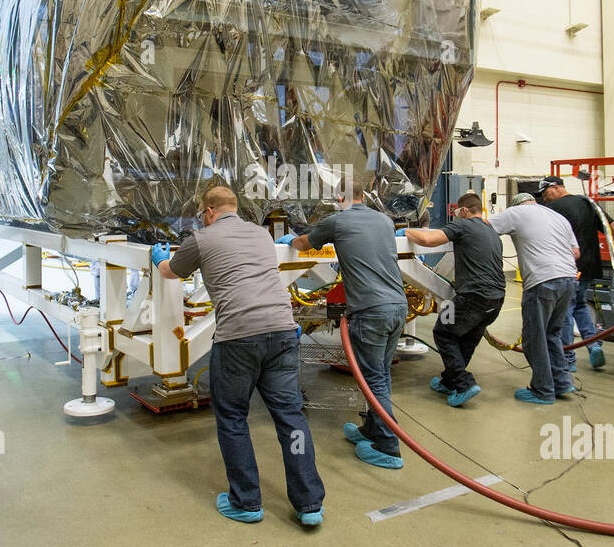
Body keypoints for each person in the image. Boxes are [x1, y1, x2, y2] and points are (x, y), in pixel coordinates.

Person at [154, 186, 326, 524]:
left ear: (208, 211)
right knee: (290, 417)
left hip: (238, 338)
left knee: (233, 417)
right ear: (235, 207)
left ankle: (247, 502)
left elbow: (171, 273)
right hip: (281, 330)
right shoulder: (261, 234)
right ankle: (310, 505)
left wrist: (159, 257)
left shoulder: (201, 239)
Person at [280, 175, 408, 469]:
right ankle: (372, 429)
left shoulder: (337, 222)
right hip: (397, 306)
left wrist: (290, 241)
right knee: (381, 374)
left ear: (339, 199)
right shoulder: (385, 222)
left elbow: (304, 244)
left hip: (370, 310)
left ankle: (389, 445)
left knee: (373, 378)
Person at [398, 192, 505, 408]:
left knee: (443, 332)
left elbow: (428, 240)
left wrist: (405, 231)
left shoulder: (463, 226)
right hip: (496, 300)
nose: (456, 216)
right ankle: (450, 381)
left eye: (457, 212)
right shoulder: (491, 231)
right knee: (466, 339)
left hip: (472, 298)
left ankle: (463, 384)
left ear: (464, 211)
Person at [487, 193, 580, 404]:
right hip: (568, 278)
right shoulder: (558, 217)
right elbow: (575, 252)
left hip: (542, 280)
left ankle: (543, 389)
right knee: (552, 335)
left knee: (534, 338)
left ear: (517, 204)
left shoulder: (516, 213)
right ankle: (562, 382)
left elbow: (481, 228)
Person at [538, 176, 614, 372]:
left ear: (556, 187)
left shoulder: (554, 209)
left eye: (546, 193)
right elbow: (613, 227)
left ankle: (568, 357)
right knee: (579, 305)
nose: (545, 199)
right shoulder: (587, 203)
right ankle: (594, 345)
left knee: (565, 310)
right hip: (589, 266)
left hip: (568, 266)